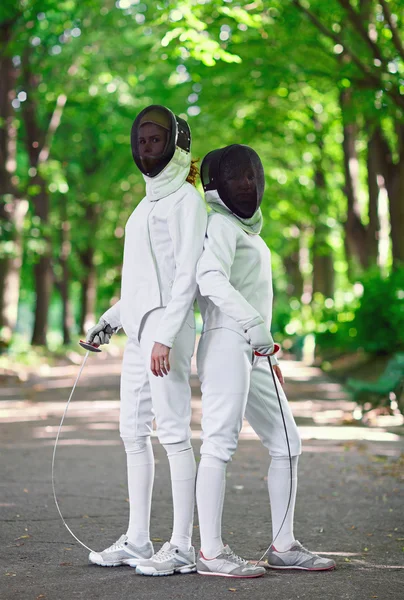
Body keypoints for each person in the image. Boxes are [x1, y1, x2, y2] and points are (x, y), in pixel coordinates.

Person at [195, 144, 336, 577]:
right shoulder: (219, 225)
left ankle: (284, 544)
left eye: (251, 175)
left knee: (288, 442)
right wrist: (254, 324)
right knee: (219, 443)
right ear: (218, 183)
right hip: (225, 341)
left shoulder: (248, 231)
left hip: (253, 350)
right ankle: (211, 553)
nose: (246, 183)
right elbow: (209, 277)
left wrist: (262, 346)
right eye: (236, 176)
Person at [85, 105, 207, 576]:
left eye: (156, 139)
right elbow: (139, 283)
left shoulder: (187, 201)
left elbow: (186, 277)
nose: (147, 147)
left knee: (173, 433)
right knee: (132, 433)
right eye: (142, 140)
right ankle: (138, 540)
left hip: (165, 335)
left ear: (176, 143)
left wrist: (167, 334)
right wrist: (110, 319)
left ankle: (181, 546)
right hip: (138, 334)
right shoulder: (143, 205)